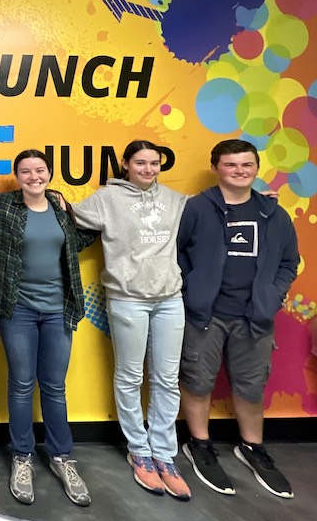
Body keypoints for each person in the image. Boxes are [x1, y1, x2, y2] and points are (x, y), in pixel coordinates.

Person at [0, 149, 96, 507]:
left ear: (50, 174)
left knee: (54, 386)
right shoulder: (2, 206)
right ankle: (22, 457)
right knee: (22, 383)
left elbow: (81, 238)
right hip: (17, 309)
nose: (33, 176)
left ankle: (62, 458)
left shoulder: (60, 208)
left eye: (39, 170)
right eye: (25, 171)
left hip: (59, 309)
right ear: (17, 176)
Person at [177, 138, 299, 499]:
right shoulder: (197, 208)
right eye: (231, 165)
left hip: (254, 316)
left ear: (256, 168)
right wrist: (191, 287)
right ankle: (199, 444)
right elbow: (178, 251)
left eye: (246, 165)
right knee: (197, 380)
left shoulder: (274, 214)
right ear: (216, 168)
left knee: (250, 385)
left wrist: (273, 294)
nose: (239, 171)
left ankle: (252, 448)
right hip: (206, 314)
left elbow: (288, 262)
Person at [72, 140, 192, 500]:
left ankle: (165, 455)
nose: (148, 169)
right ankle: (138, 450)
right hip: (127, 300)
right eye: (140, 162)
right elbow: (68, 213)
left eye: (154, 163)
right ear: (125, 164)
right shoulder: (105, 199)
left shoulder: (175, 199)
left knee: (167, 379)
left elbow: (216, 210)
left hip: (171, 299)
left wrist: (258, 196)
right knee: (130, 376)